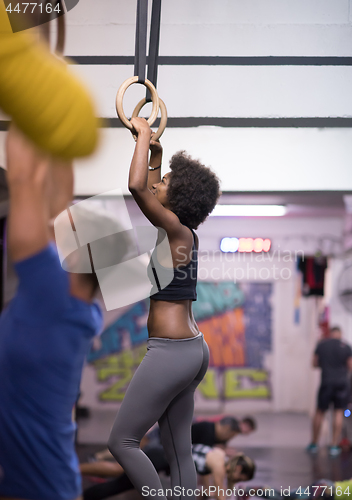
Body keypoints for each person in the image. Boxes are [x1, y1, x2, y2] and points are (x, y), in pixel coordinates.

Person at [107, 117, 221, 500]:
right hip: (192, 349)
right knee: (178, 451)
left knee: (121, 441)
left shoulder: (175, 231)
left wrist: (141, 136)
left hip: (172, 352)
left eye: (167, 181)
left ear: (180, 197)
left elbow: (138, 187)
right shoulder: (181, 233)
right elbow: (151, 188)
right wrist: (154, 152)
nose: (159, 183)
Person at [0, 129, 103, 500]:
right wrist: (61, 131)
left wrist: (29, 105)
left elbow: (24, 179)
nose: (60, 225)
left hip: (42, 488)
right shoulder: (80, 306)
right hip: (47, 483)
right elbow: (60, 201)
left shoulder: (51, 293)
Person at [81, 446, 255, 500]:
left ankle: (79, 485)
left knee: (120, 479)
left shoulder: (218, 457)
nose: (238, 479)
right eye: (241, 477)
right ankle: (80, 491)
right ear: (238, 468)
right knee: (119, 480)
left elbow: (206, 486)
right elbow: (220, 496)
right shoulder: (219, 466)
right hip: (158, 457)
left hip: (159, 455)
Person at [91, 415, 257, 462]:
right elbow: (208, 449)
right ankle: (99, 457)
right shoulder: (213, 427)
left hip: (168, 439)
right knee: (130, 449)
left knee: (132, 452)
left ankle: (102, 458)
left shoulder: (225, 432)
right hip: (163, 435)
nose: (241, 433)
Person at [307, 326, 352, 456]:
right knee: (338, 412)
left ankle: (314, 443)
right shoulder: (346, 347)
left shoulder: (322, 345)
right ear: (340, 334)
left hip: (326, 382)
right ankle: (333, 445)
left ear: (330, 333)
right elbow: (350, 367)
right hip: (342, 384)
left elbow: (314, 364)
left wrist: (327, 365)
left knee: (320, 412)